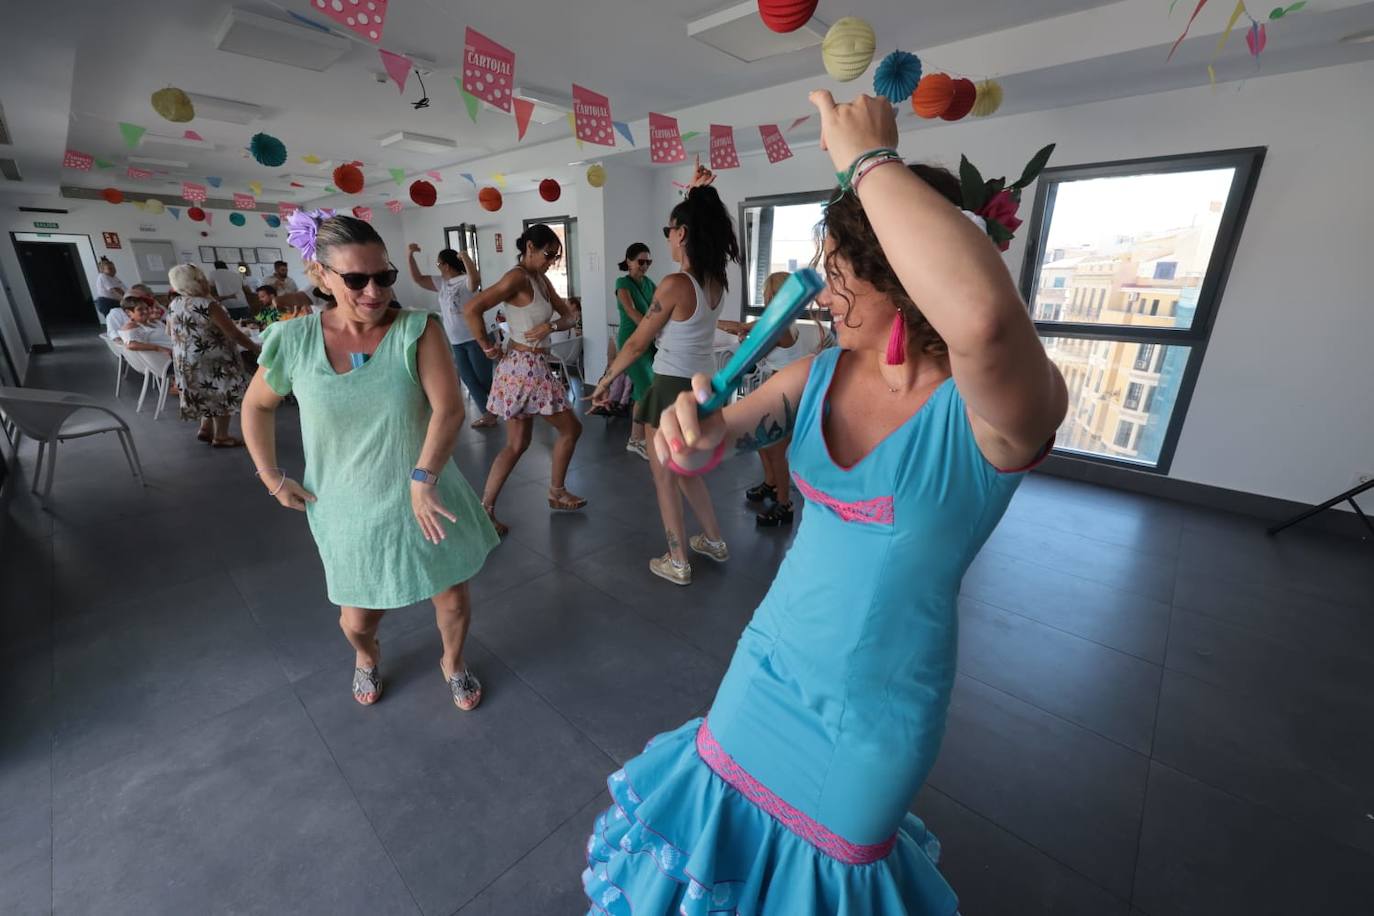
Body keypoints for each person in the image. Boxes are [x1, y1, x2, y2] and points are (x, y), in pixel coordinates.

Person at [581, 91, 1068, 914]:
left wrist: (869, 162)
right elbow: (720, 431)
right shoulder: (819, 375)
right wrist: (694, 433)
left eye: (837, 270)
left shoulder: (999, 416)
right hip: (765, 666)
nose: (820, 290)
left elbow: (983, 319)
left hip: (876, 716)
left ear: (903, 282)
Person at [242, 213, 498, 710]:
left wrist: (423, 478)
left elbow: (448, 410)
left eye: (384, 277)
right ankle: (366, 656)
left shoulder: (415, 330)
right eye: (356, 279)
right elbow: (256, 405)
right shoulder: (293, 342)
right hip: (345, 507)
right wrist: (271, 476)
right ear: (320, 274)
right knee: (359, 619)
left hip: (426, 497)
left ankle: (453, 661)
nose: (373, 291)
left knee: (451, 599)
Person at [591, 159, 732, 586]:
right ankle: (714, 541)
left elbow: (636, 343)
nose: (668, 237)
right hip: (701, 389)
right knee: (686, 472)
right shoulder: (716, 281)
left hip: (669, 388)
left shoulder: (674, 284)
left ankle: (678, 560)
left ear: (682, 234)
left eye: (670, 230)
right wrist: (693, 194)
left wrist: (603, 380)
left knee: (665, 480)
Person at [464, 224, 586, 536]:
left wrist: (552, 327)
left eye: (555, 257)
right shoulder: (516, 277)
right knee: (571, 429)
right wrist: (486, 345)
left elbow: (571, 316)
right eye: (548, 254)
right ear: (530, 247)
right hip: (524, 367)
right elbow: (472, 308)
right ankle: (556, 491)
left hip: (530, 365)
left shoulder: (540, 279)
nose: (551, 262)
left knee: (518, 443)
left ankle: (485, 510)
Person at [717, 271, 832, 527]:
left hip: (784, 392)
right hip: (773, 388)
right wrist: (717, 323)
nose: (766, 298)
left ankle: (784, 503)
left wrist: (742, 337)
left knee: (776, 449)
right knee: (763, 441)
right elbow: (747, 328)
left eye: (769, 294)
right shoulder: (779, 319)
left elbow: (755, 349)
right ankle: (770, 483)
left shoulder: (781, 324)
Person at [406, 244, 498, 430]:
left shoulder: (465, 280)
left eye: (439, 263)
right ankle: (488, 415)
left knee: (484, 379)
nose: (438, 266)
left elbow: (475, 279)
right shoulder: (441, 282)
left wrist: (465, 257)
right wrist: (410, 256)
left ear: (447, 265)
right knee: (467, 378)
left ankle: (505, 404)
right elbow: (418, 279)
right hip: (456, 341)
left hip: (475, 338)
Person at [166, 263, 259, 447]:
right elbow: (234, 333)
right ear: (197, 281)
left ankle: (205, 428)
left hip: (187, 358)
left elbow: (170, 331)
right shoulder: (208, 305)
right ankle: (221, 436)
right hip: (214, 358)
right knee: (221, 392)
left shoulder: (175, 303)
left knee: (205, 392)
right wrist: (255, 348)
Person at [613, 243, 658, 460]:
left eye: (648, 262)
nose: (645, 266)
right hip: (632, 342)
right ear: (629, 261)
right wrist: (653, 330)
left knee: (645, 390)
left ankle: (637, 438)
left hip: (649, 342)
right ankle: (638, 439)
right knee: (646, 388)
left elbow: (663, 308)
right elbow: (631, 311)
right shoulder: (623, 283)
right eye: (641, 261)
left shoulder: (650, 284)